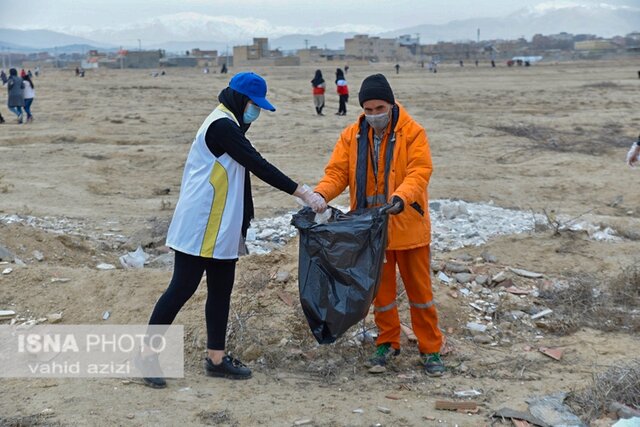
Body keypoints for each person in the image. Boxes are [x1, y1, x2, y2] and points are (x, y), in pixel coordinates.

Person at [137, 72, 325, 388]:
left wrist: (242, 222)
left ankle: (216, 358)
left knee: (221, 290)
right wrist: (303, 192)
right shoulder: (221, 125)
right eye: (255, 105)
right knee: (182, 288)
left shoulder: (232, 124)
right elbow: (257, 163)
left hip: (222, 224)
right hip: (199, 223)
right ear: (240, 100)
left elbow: (241, 172)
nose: (257, 113)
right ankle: (146, 354)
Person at [314, 74, 445, 377]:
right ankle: (387, 342)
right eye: (368, 110)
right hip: (370, 232)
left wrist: (400, 198)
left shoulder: (413, 132)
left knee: (420, 293)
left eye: (379, 108)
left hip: (408, 226)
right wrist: (321, 193)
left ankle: (431, 348)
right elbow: (337, 173)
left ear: (390, 103)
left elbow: (420, 171)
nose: (374, 115)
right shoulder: (351, 136)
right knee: (381, 295)